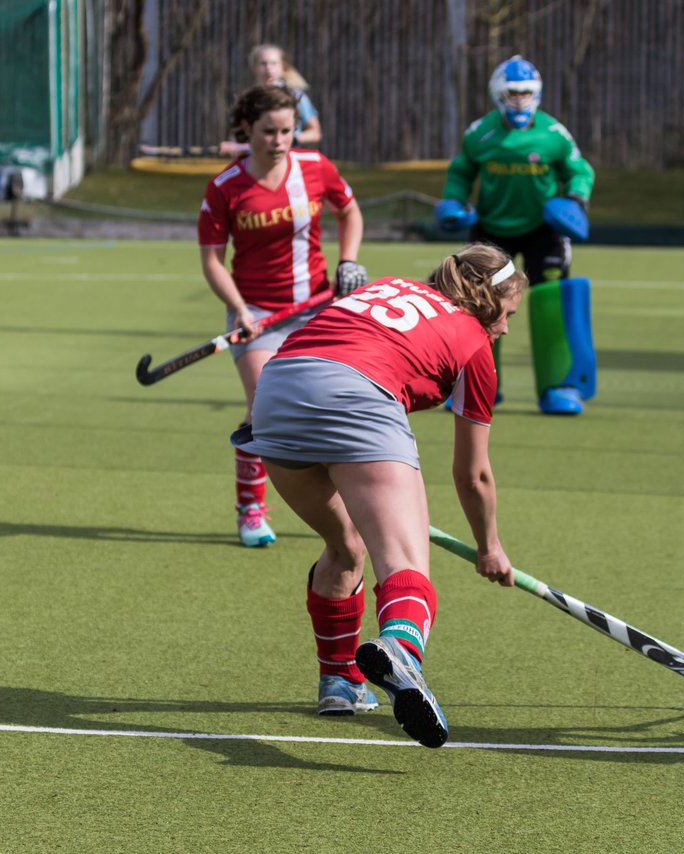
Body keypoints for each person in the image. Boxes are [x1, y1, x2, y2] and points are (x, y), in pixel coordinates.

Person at [230, 243, 524, 747]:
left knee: (346, 544)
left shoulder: (387, 286)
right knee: (405, 561)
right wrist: (489, 545)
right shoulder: (475, 342)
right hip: (356, 393)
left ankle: (340, 682)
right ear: (487, 301)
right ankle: (402, 652)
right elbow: (472, 474)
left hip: (276, 392)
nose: (505, 328)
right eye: (508, 314)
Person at [198, 84, 367, 548]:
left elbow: (349, 212)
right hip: (254, 312)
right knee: (263, 410)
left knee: (332, 402)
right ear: (246, 130)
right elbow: (213, 259)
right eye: (268, 131)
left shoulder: (316, 168)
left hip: (316, 306)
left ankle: (347, 500)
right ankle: (251, 508)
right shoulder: (224, 188)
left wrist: (347, 262)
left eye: (287, 131)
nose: (278, 141)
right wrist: (238, 310)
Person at [436, 55, 597, 415]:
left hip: (546, 231)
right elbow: (461, 172)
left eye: (526, 92)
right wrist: (453, 200)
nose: (520, 99)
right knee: (480, 309)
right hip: (491, 234)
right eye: (512, 92)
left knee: (551, 303)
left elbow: (579, 170)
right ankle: (481, 386)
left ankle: (559, 386)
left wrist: (575, 199)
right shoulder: (480, 133)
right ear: (498, 94)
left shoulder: (554, 134)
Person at [219, 44, 321, 157]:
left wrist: (290, 138)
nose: (268, 68)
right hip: (257, 163)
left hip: (287, 160)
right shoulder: (248, 99)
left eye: (274, 63)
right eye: (263, 63)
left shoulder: (296, 97)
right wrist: (234, 147)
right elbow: (236, 135)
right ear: (254, 67)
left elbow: (315, 133)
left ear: (283, 67)